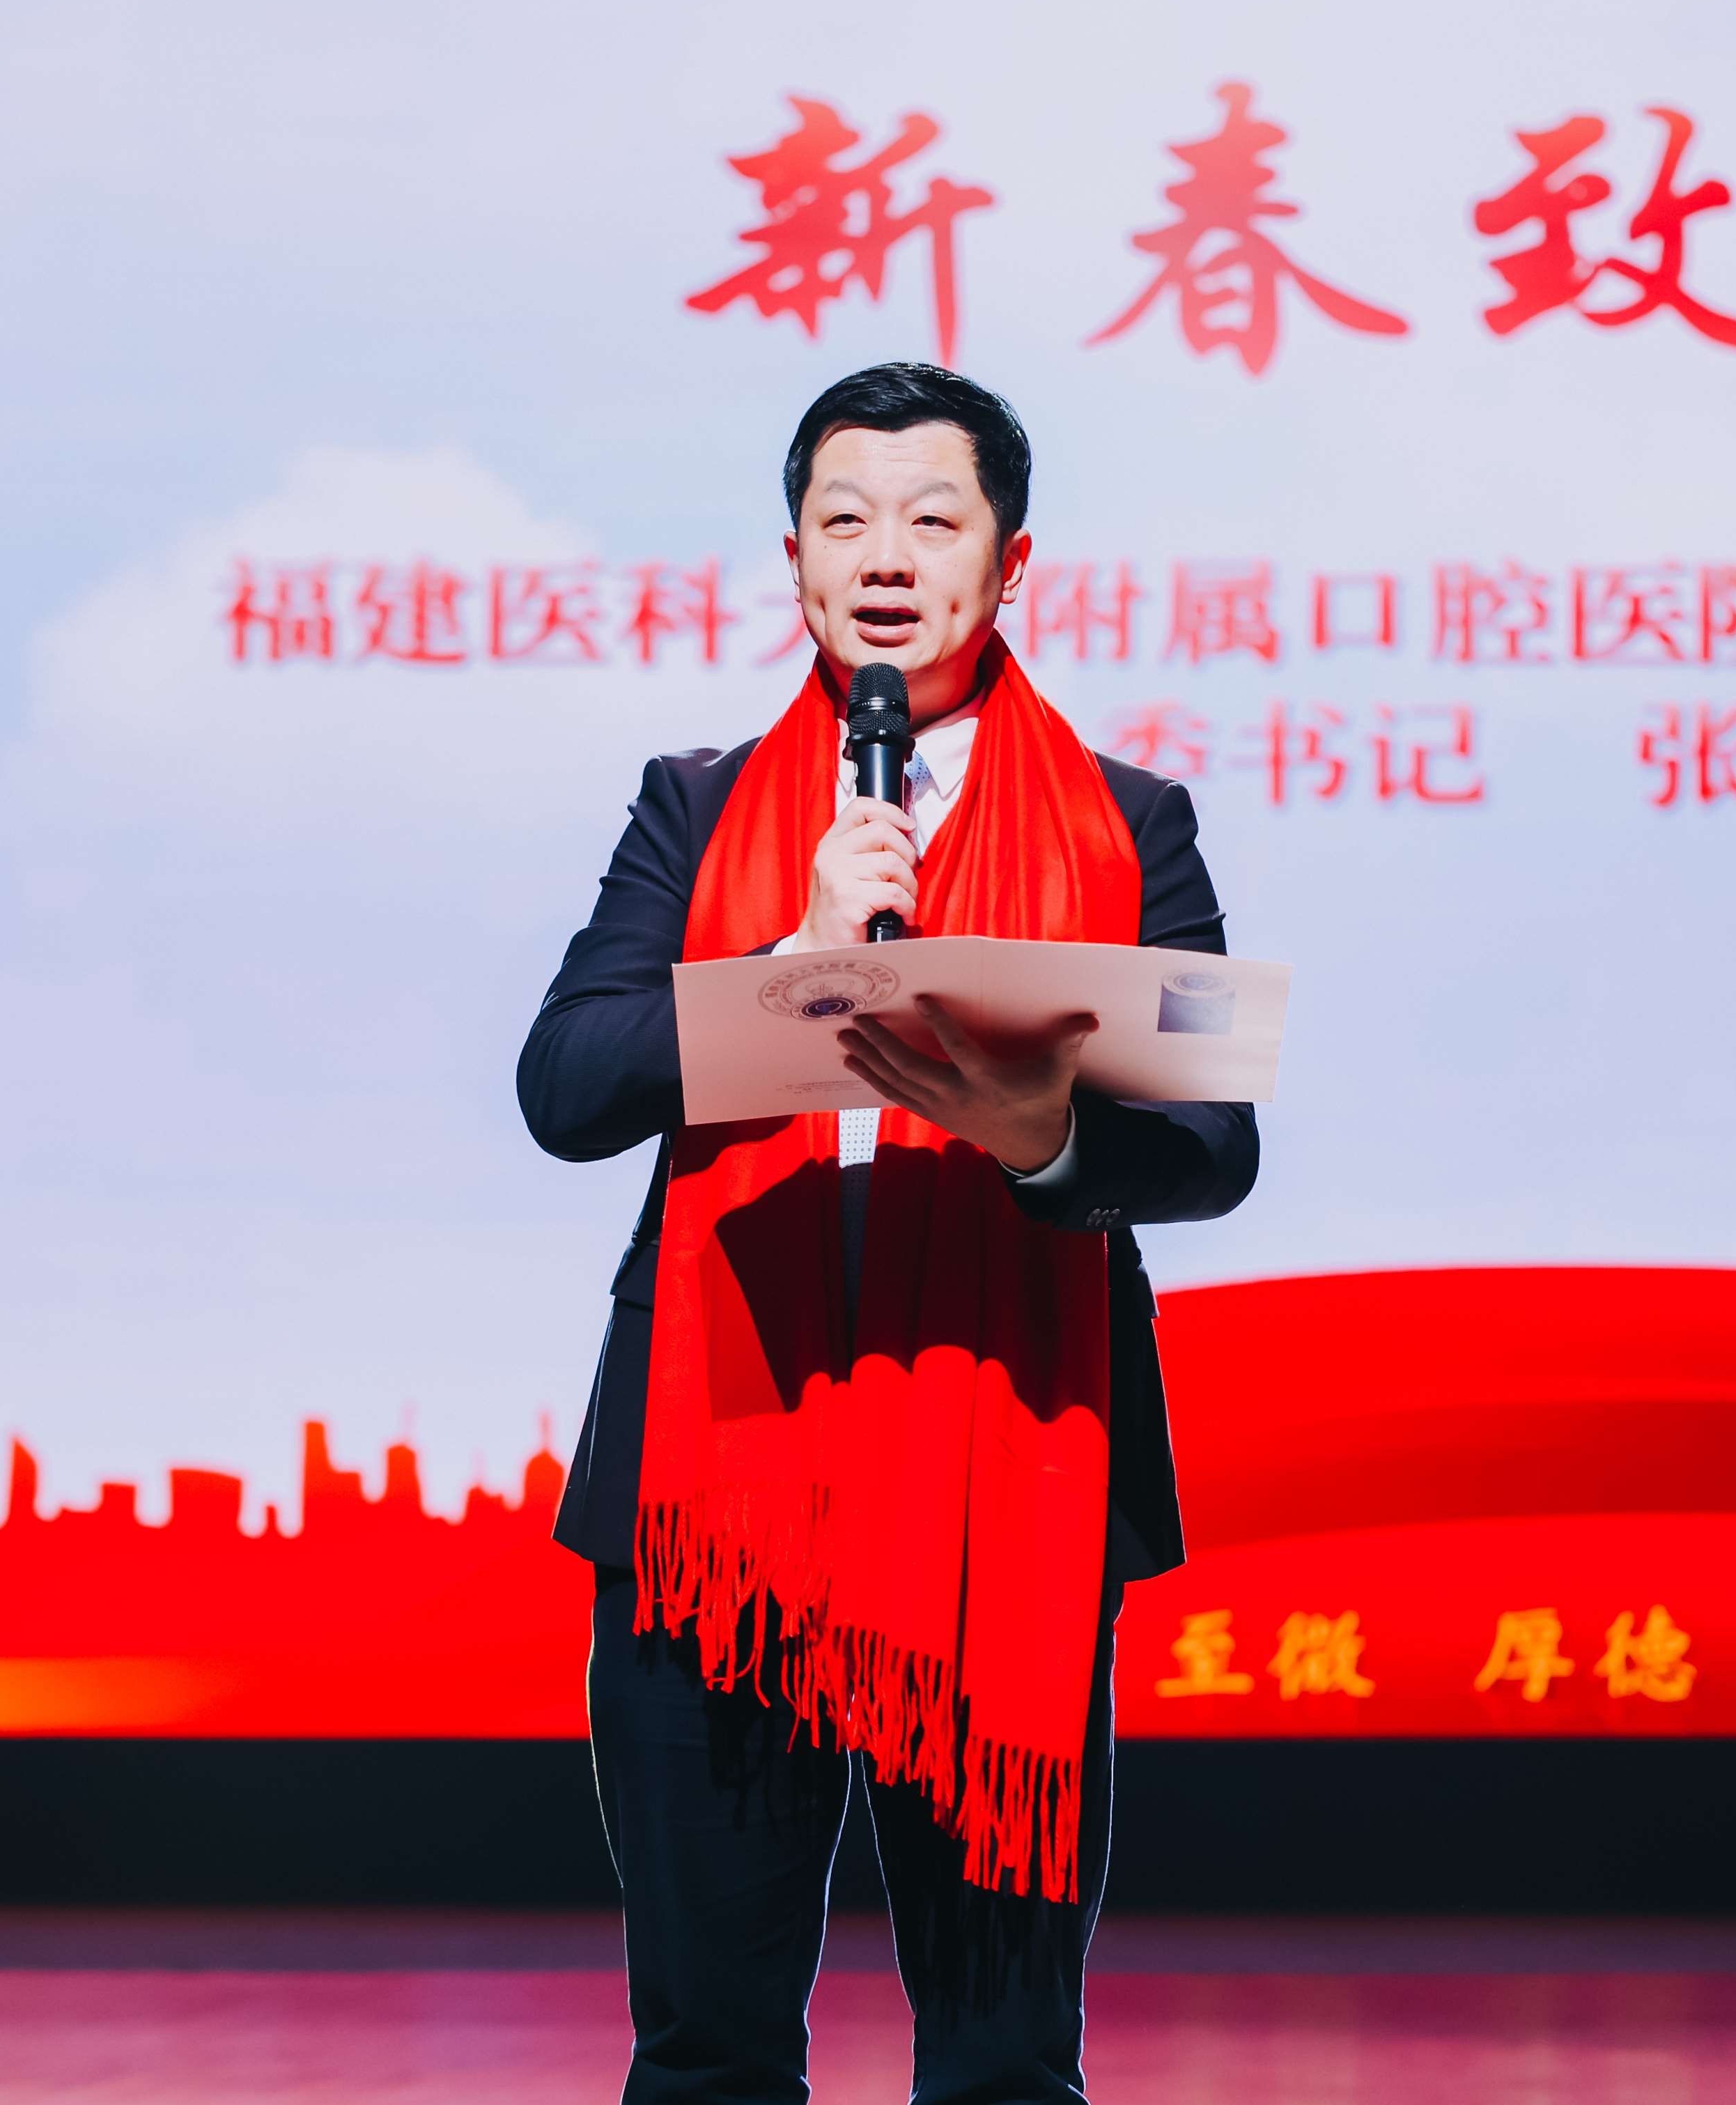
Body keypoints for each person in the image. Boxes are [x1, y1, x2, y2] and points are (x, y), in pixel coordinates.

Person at [517, 362, 1257, 2104]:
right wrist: (780, 966)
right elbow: (566, 1084)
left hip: (1005, 1479)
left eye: (933, 518)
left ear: (1012, 562)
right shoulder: (696, 808)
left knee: (1003, 2067)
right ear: (792, 559)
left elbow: (1212, 1145)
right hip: (715, 1501)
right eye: (843, 519)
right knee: (705, 2052)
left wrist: (1036, 1136)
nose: (885, 555)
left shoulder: (1134, 823)